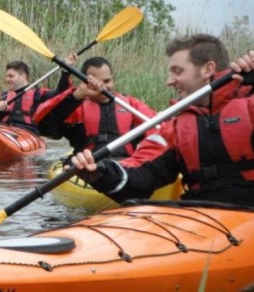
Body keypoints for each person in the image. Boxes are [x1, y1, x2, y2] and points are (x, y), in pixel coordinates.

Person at [70, 34, 254, 206]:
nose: (169, 81)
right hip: (201, 213)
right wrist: (101, 172)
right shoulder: (174, 127)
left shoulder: (249, 103)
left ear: (208, 69)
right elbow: (143, 174)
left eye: (177, 71)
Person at [35, 56, 157, 159]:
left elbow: (159, 131)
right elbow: (46, 129)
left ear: (113, 79)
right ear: (85, 82)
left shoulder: (131, 105)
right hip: (87, 165)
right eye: (96, 82)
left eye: (107, 81)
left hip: (125, 166)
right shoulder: (76, 106)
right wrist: (75, 97)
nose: (103, 87)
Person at [0, 60, 72, 135]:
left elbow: (60, 94)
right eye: (6, 76)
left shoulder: (38, 94)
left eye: (11, 76)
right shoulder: (3, 96)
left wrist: (65, 72)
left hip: (28, 133)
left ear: (23, 77)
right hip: (4, 132)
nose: (7, 80)